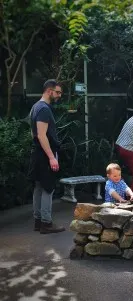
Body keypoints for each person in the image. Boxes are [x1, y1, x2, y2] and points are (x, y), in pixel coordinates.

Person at [29, 79, 65, 234]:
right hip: (44, 154)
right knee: (48, 188)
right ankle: (46, 223)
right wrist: (51, 157)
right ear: (49, 91)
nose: (59, 95)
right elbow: (41, 135)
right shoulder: (43, 109)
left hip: (38, 152)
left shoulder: (35, 107)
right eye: (57, 92)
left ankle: (38, 222)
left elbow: (33, 133)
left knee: (38, 187)